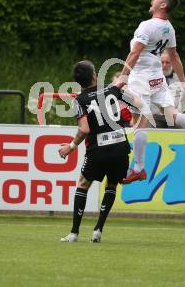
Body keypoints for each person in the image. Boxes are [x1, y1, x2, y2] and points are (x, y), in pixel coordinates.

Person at [115, 0, 185, 184]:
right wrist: (184, 82)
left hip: (142, 78)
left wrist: (123, 76)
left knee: (139, 123)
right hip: (158, 79)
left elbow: (135, 53)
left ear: (162, 4)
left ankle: (138, 168)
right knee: (172, 115)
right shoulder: (168, 28)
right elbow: (174, 56)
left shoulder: (147, 25)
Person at [59, 60, 135, 243]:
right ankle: (98, 230)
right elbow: (130, 93)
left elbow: (84, 129)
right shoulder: (111, 90)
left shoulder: (80, 100)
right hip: (120, 147)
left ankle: (74, 233)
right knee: (111, 185)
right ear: (94, 76)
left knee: (83, 184)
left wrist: (70, 146)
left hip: (98, 150)